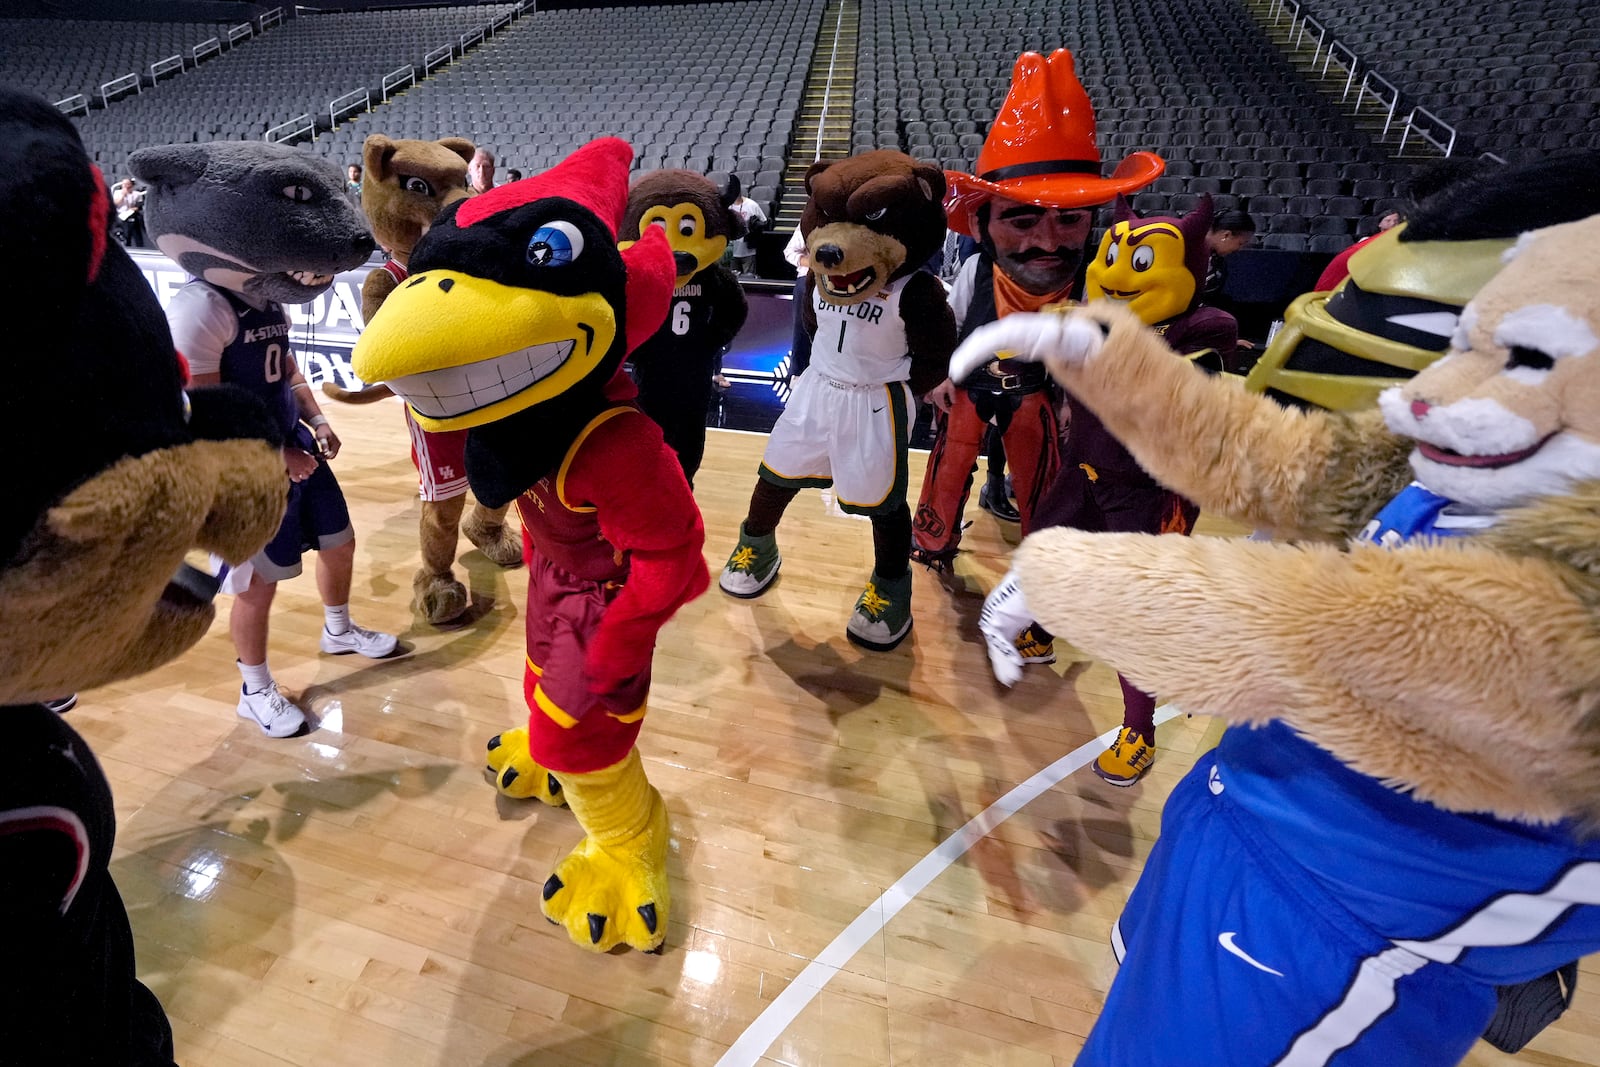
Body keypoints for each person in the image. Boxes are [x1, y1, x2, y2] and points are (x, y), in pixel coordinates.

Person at [911, 48, 1164, 575]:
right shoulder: (975, 274)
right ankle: (932, 543)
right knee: (948, 467)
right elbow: (950, 326)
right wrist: (937, 373)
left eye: (1069, 220)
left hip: (1041, 397)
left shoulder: (1099, 289)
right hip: (969, 392)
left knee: (1043, 480)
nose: (1048, 240)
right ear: (982, 226)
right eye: (1022, 222)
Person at [168, 281, 398, 737]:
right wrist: (275, 457)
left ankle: (338, 630)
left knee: (340, 542)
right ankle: (254, 692)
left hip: (294, 445)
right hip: (239, 469)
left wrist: (318, 419)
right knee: (257, 585)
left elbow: (288, 371)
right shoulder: (201, 305)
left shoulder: (266, 296)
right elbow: (202, 413)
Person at [1313, 207, 1403, 291]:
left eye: (1396, 221)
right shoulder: (1366, 241)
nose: (1392, 224)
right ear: (1380, 224)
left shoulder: (1402, 243)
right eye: (1388, 220)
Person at [1201, 209, 1255, 301]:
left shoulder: (1218, 260)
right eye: (1240, 243)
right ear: (1226, 235)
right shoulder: (1189, 251)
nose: (1239, 249)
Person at [727, 175, 767, 275]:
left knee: (749, 279)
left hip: (748, 251)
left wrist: (755, 226)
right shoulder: (726, 206)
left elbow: (764, 222)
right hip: (731, 252)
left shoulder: (752, 205)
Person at [112, 177, 145, 247]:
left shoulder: (137, 194)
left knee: (136, 231)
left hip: (132, 214)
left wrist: (135, 208)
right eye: (123, 184)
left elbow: (139, 206)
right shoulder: (117, 192)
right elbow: (116, 203)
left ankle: (139, 245)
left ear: (131, 185)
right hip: (121, 215)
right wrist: (123, 195)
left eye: (127, 184)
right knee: (125, 232)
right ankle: (126, 242)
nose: (124, 186)